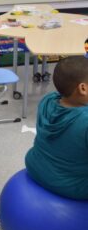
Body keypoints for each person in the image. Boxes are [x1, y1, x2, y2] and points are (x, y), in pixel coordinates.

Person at [25, 55, 88, 200]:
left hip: (35, 166)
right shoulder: (84, 122)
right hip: (70, 185)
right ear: (83, 88)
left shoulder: (47, 101)